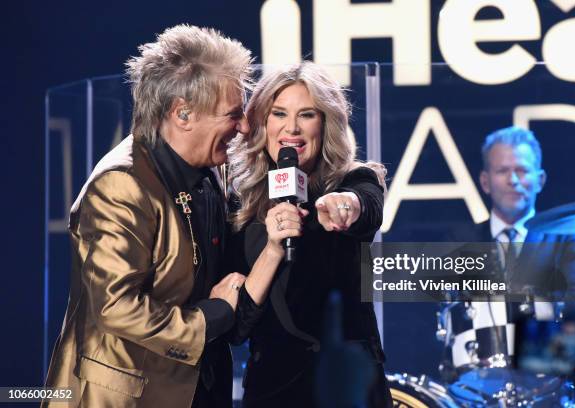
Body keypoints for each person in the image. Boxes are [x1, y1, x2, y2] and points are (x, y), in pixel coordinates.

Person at [44, 25, 253, 407]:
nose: (244, 127)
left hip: (200, 389)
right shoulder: (122, 185)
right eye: (233, 114)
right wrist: (211, 319)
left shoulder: (213, 168)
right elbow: (116, 306)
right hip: (126, 397)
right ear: (183, 114)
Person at [225, 62, 392, 407]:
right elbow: (237, 327)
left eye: (307, 115)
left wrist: (346, 205)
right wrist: (272, 248)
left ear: (325, 122)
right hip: (273, 389)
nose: (292, 129)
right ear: (262, 122)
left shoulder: (352, 180)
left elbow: (366, 205)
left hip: (348, 386)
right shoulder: (238, 202)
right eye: (279, 114)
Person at [460, 126, 575, 305]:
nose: (512, 180)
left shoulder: (566, 237)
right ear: (485, 182)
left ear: (540, 180)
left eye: (522, 170)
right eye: (502, 171)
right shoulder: (460, 241)